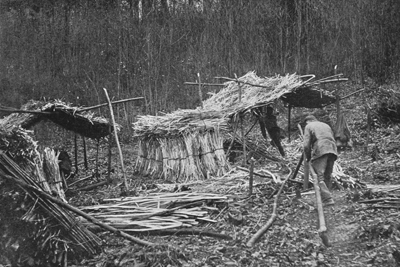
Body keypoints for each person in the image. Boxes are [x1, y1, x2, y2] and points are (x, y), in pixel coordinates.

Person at [303, 115, 337, 206]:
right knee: (327, 174)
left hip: (321, 148)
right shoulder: (326, 125)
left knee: (318, 176)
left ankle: (327, 199)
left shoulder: (308, 126)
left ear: (307, 121)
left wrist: (308, 157)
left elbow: (306, 145)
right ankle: (328, 195)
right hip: (333, 148)